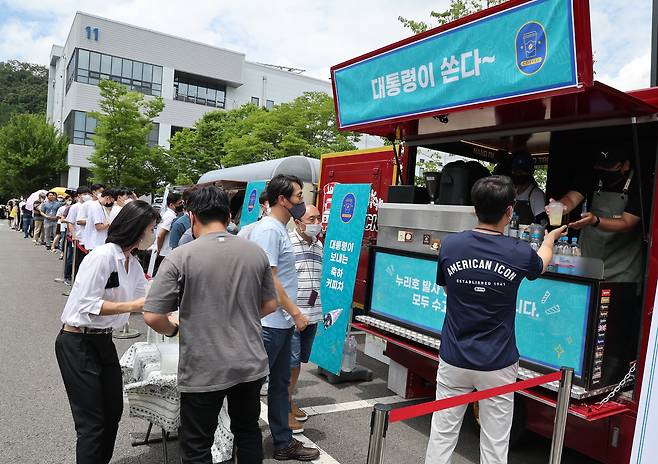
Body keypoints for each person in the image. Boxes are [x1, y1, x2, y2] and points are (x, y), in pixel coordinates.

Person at [425, 176, 565, 464]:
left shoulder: (451, 246)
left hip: (454, 356)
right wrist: (549, 238)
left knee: (442, 433)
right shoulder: (518, 252)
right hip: (497, 362)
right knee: (495, 441)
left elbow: (448, 287)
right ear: (510, 211)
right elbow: (542, 262)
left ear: (475, 208)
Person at [144, 186, 278, 464]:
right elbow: (270, 304)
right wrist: (241, 316)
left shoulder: (181, 257)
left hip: (204, 366)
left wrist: (175, 329)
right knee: (247, 432)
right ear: (229, 216)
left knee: (197, 444)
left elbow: (153, 315)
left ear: (192, 216)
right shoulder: (255, 253)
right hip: (249, 362)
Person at [55, 200, 158, 464]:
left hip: (103, 341)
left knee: (112, 412)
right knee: (92, 422)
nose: (153, 235)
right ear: (136, 228)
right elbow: (87, 304)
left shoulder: (132, 263)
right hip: (77, 341)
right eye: (151, 228)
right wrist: (133, 305)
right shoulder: (102, 256)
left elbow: (144, 298)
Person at [250, 174, 320, 461]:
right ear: (282, 199)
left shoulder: (277, 228)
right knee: (251, 386)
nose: (302, 202)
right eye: (298, 196)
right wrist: (295, 312)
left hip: (282, 323)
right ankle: (243, 440)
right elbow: (270, 277)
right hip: (271, 323)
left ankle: (283, 443)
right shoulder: (270, 229)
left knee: (279, 386)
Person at [551, 147, 643, 283]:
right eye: (601, 166)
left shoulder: (638, 183)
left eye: (610, 167)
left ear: (626, 165)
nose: (604, 171)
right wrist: (560, 206)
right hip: (590, 256)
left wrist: (595, 220)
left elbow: (627, 223)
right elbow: (571, 198)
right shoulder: (593, 175)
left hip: (623, 263)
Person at [288, 204, 324, 429]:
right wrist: (291, 312)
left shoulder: (319, 245)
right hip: (291, 315)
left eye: (318, 218)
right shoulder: (287, 243)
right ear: (298, 222)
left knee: (299, 362)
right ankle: (282, 409)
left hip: (312, 314)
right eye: (311, 219)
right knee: (288, 365)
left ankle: (289, 401)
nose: (316, 224)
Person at [509, 151, 547, 225]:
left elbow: (542, 222)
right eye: (516, 171)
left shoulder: (536, 194)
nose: (519, 174)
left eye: (522, 172)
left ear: (530, 173)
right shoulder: (512, 192)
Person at [153, 192, 182, 275]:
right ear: (171, 205)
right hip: (165, 252)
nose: (181, 205)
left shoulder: (169, 214)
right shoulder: (170, 216)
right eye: (179, 203)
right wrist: (159, 250)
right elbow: (161, 235)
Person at [77, 184, 105, 252]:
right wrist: (93, 221)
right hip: (88, 238)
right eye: (100, 191)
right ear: (94, 192)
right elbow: (79, 221)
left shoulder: (104, 204)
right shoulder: (87, 204)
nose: (102, 194)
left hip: (101, 239)